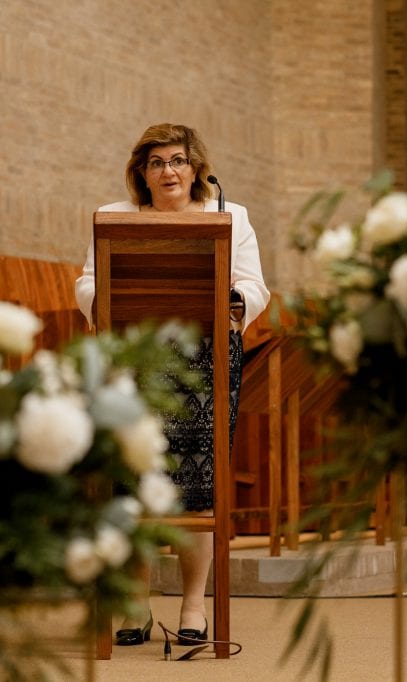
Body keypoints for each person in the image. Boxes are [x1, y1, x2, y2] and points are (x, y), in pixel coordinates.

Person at [75, 123, 270, 645]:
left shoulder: (228, 217)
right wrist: (107, 307)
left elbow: (253, 285)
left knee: (199, 487)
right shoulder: (115, 218)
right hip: (133, 362)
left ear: (196, 168)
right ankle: (134, 605)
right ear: (141, 171)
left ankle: (191, 606)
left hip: (204, 365)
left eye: (178, 160)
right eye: (157, 162)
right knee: (129, 482)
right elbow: (89, 282)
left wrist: (235, 305)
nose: (168, 171)